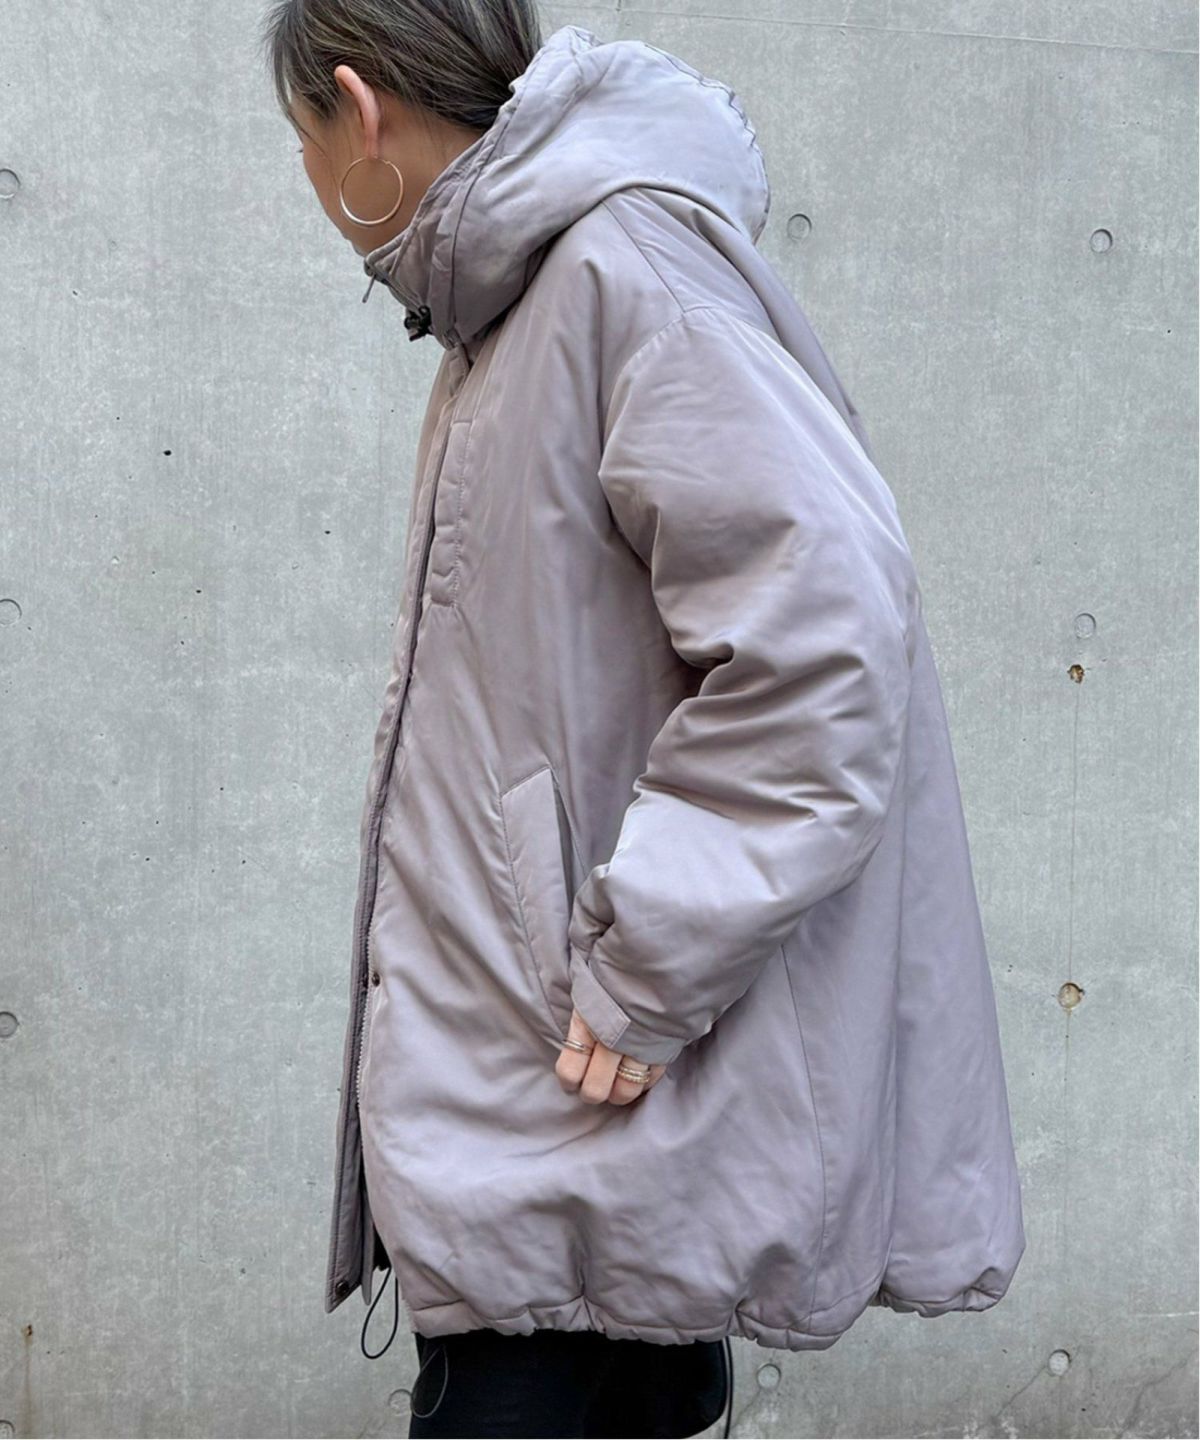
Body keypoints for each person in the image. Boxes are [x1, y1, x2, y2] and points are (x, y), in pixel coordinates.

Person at [260, 4, 1025, 1438]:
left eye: (297, 137)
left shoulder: (623, 276)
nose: (305, 177)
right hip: (556, 1106)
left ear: (355, 110)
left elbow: (823, 636)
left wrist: (647, 957)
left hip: (574, 1087)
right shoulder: (522, 302)